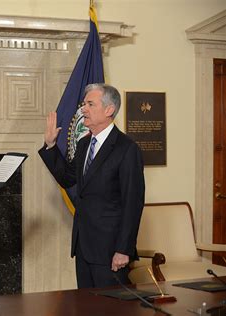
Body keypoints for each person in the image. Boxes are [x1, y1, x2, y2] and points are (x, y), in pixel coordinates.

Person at [38, 83, 145, 289]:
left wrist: (123, 249)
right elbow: (67, 178)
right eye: (84, 104)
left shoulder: (127, 149)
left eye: (90, 104)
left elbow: (133, 203)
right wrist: (51, 146)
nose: (83, 109)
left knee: (111, 309)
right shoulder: (85, 143)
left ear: (109, 110)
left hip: (111, 249)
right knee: (86, 307)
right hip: (84, 245)